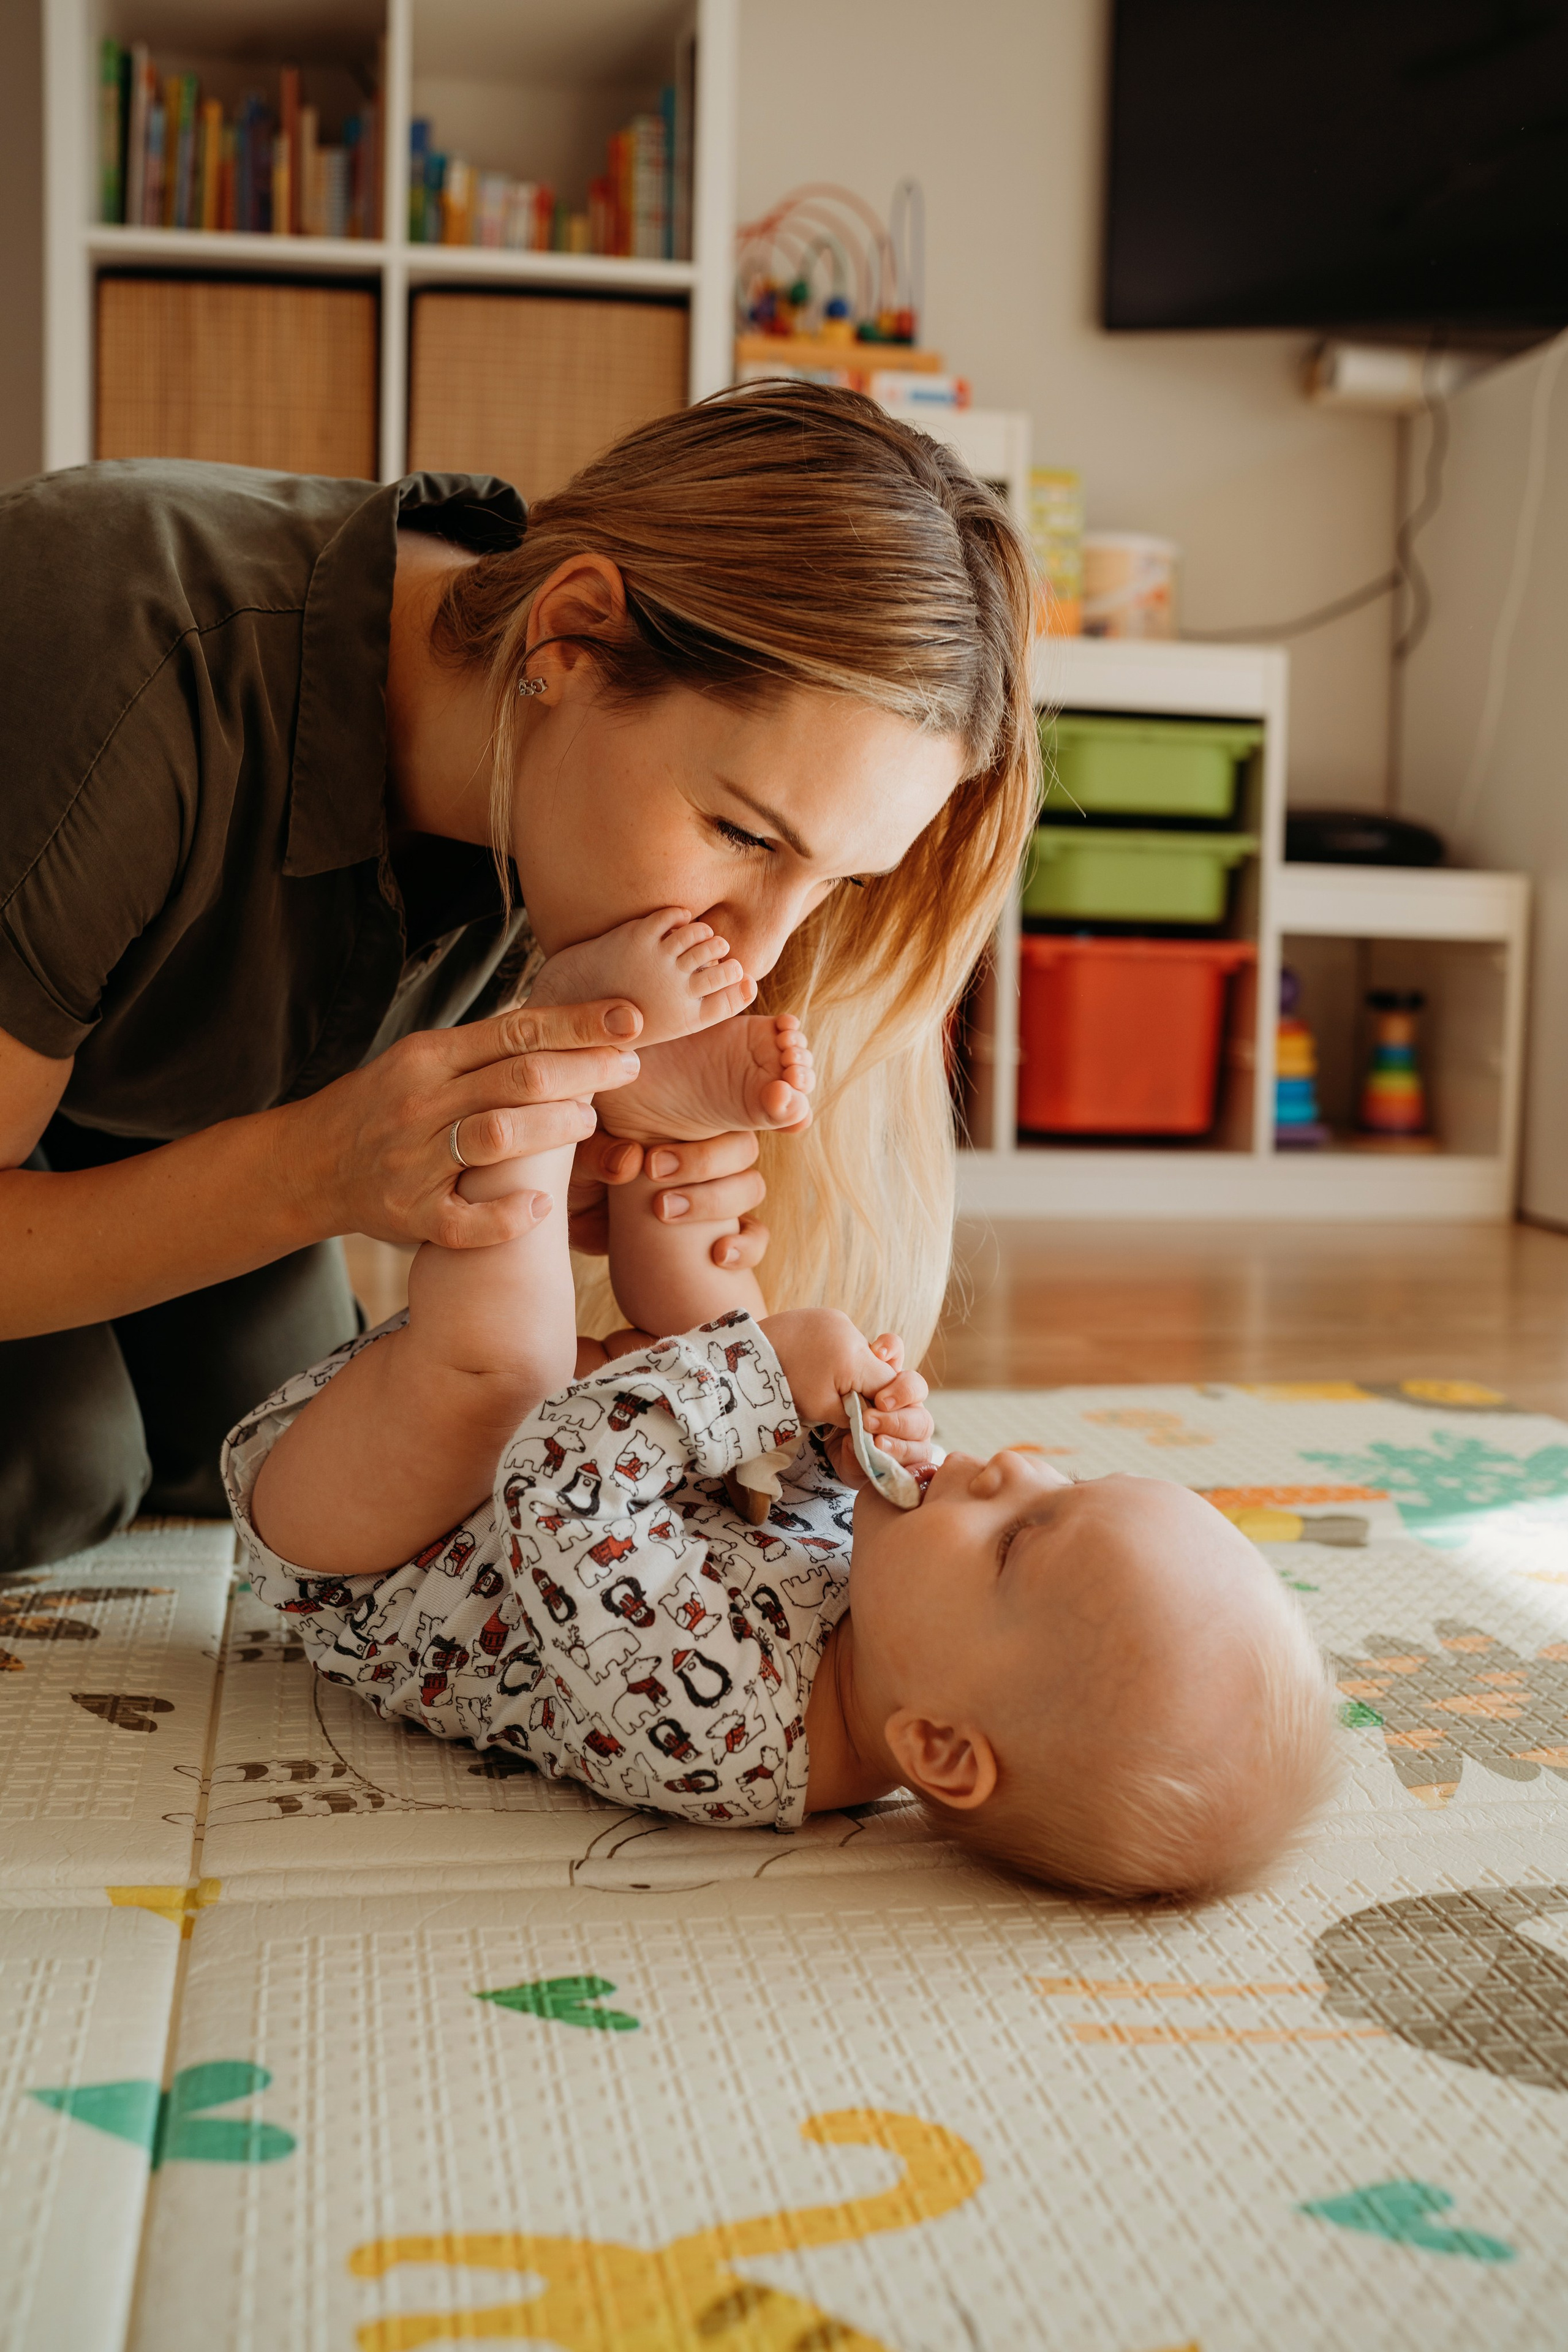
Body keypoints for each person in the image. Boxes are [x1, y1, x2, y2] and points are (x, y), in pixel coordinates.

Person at [0, 382, 1034, 1569]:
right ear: (569, 635)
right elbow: (312, 1156)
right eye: (745, 837)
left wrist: (558, 1166)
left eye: (833, 883)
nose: (753, 958)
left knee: (279, 1445)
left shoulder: (555, 806)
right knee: (65, 1470)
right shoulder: (131, 659)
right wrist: (325, 1169)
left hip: (122, 1111)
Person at [224, 902, 1338, 1901]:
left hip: (365, 1548)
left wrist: (767, 1373)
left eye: (1017, 1539)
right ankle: (670, 1131)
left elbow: (555, 1488)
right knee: (713, 1322)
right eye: (1069, 1482)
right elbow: (728, 1473)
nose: (1018, 1469)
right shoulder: (888, 1628)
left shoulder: (729, 1736)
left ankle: (552, 1061)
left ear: (942, 1749)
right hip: (531, 1464)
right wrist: (826, 1437)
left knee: (510, 1370)